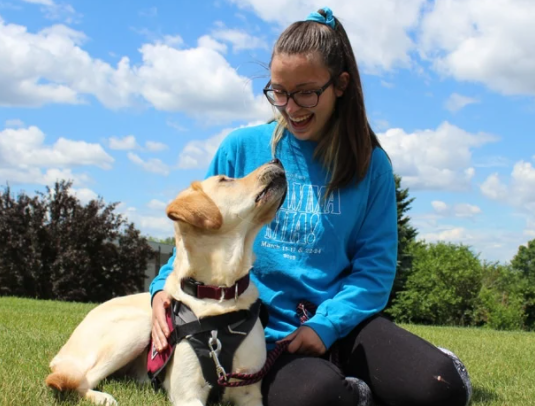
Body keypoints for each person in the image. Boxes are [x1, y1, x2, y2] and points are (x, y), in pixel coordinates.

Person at [149, 6, 472, 406]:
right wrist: (161, 290)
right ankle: (351, 391)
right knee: (317, 398)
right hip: (264, 332)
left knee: (439, 388)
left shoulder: (371, 165)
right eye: (279, 92)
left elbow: (374, 271)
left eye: (306, 92)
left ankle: (404, 370)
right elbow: (194, 236)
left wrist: (326, 325)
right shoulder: (241, 149)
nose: (291, 107)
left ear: (340, 85)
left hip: (348, 323)